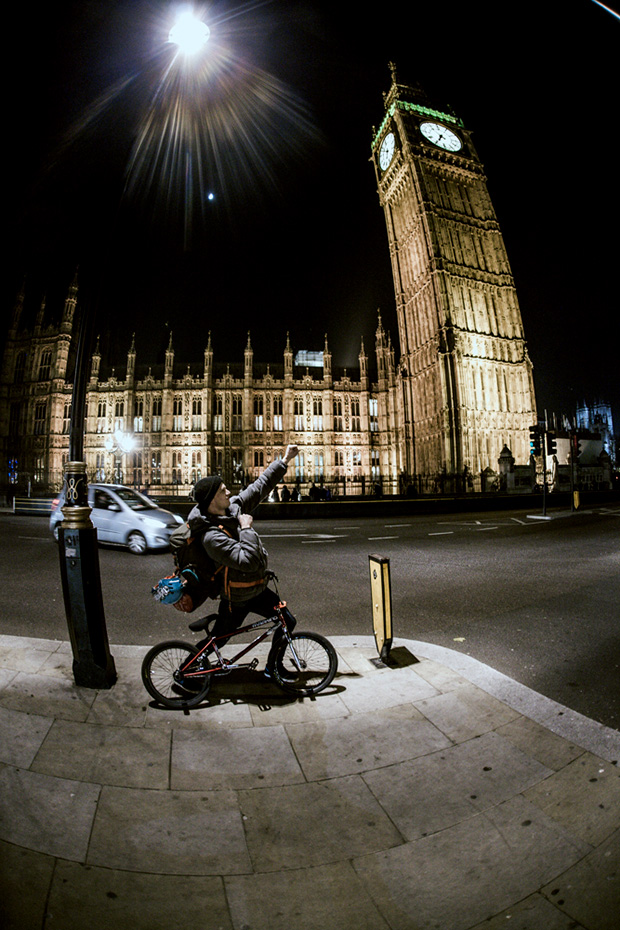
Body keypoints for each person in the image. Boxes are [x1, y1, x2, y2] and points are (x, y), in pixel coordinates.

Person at [188, 445, 299, 673]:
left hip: (256, 589)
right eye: (222, 490)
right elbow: (246, 560)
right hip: (236, 597)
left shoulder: (232, 509)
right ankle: (185, 669)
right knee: (219, 639)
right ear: (211, 501)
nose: (228, 492)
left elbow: (259, 487)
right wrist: (246, 528)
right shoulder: (211, 536)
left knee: (287, 620)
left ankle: (273, 668)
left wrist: (285, 460)